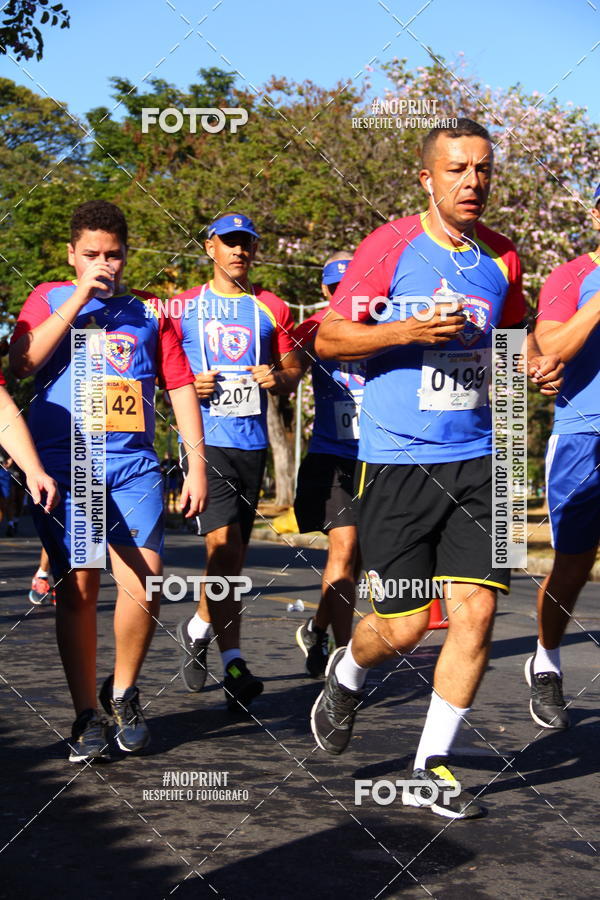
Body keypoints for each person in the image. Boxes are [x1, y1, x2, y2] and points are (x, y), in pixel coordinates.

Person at [310, 118, 563, 819]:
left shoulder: (503, 258)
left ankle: (431, 767)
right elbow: (330, 337)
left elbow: (515, 336)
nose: (473, 182)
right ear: (427, 177)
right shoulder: (389, 246)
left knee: (476, 612)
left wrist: (535, 362)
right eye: (457, 169)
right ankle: (350, 670)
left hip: (484, 456)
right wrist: (408, 330)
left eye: (483, 169)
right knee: (403, 623)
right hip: (397, 460)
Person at [10, 199, 207, 763]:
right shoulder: (49, 297)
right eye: (92, 254)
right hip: (69, 465)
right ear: (72, 254)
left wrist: (195, 464)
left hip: (133, 464)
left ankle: (122, 692)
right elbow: (22, 364)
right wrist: (79, 298)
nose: (104, 263)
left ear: (127, 255)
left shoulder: (149, 312)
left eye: (114, 254)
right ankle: (84, 718)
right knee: (80, 587)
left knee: (144, 583)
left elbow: (179, 386)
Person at [171, 212, 302, 711]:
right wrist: (184, 384)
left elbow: (294, 367)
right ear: (210, 248)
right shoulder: (183, 307)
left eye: (246, 242)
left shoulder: (271, 308)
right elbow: (163, 366)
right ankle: (235, 664)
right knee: (222, 550)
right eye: (229, 242)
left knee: (232, 560)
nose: (239, 251)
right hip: (206, 444)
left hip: (252, 447)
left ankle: (199, 626)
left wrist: (279, 376)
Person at [525, 183, 600, 730]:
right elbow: (549, 351)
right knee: (573, 564)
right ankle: (546, 661)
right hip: (582, 433)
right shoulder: (569, 277)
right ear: (595, 215)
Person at [293, 252, 363, 677]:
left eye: (350, 286)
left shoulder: (385, 326)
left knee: (358, 563)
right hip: (333, 456)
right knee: (345, 549)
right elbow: (290, 368)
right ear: (325, 291)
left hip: (379, 458)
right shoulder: (312, 327)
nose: (344, 295)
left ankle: (317, 627)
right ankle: (345, 656)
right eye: (336, 289)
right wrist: (281, 376)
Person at [0, 372, 58, 521]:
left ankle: (13, 522)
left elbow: (3, 410)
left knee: (10, 499)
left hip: (9, 468)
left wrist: (34, 470)